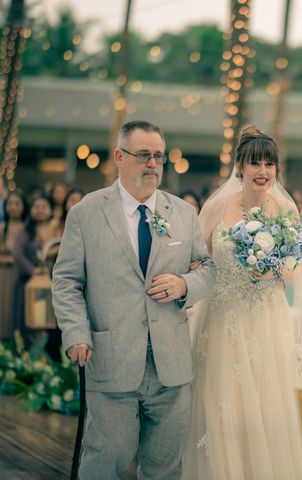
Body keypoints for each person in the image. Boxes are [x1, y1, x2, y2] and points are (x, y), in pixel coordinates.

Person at [52, 120, 216, 479]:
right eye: (144, 155)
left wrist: (185, 285)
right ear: (119, 157)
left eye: (159, 156)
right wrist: (76, 334)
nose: (153, 164)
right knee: (104, 460)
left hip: (170, 366)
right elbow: (66, 281)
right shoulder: (86, 213)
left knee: (165, 466)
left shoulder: (184, 213)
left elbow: (209, 269)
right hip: (111, 359)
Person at [182, 125, 302, 479]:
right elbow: (200, 262)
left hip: (266, 323)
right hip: (223, 319)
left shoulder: (285, 209)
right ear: (240, 167)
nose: (262, 171)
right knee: (221, 408)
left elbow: (295, 269)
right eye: (255, 163)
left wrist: (270, 269)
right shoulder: (216, 207)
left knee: (265, 407)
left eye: (269, 164)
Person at [11, 193, 58, 344]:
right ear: (31, 210)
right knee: (30, 321)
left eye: (44, 207)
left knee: (50, 321)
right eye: (36, 207)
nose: (40, 210)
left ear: (50, 210)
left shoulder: (56, 229)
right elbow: (18, 255)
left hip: (52, 282)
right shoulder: (25, 230)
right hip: (28, 282)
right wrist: (33, 270)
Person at [0, 189, 28, 340]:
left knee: (17, 311)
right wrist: (11, 259)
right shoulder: (2, 228)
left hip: (20, 276)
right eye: (10, 204)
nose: (13, 207)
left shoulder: (27, 229)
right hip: (3, 274)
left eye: (17, 204)